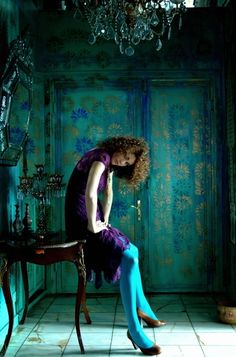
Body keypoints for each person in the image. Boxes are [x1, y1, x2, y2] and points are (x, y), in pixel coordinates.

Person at [65, 136, 166, 356]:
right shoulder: (102, 156)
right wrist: (93, 225)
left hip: (92, 214)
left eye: (128, 163)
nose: (124, 162)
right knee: (128, 257)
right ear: (122, 147)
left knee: (134, 251)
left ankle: (145, 311)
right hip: (80, 217)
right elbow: (90, 193)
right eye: (126, 156)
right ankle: (134, 329)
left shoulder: (109, 163)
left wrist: (106, 221)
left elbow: (107, 192)